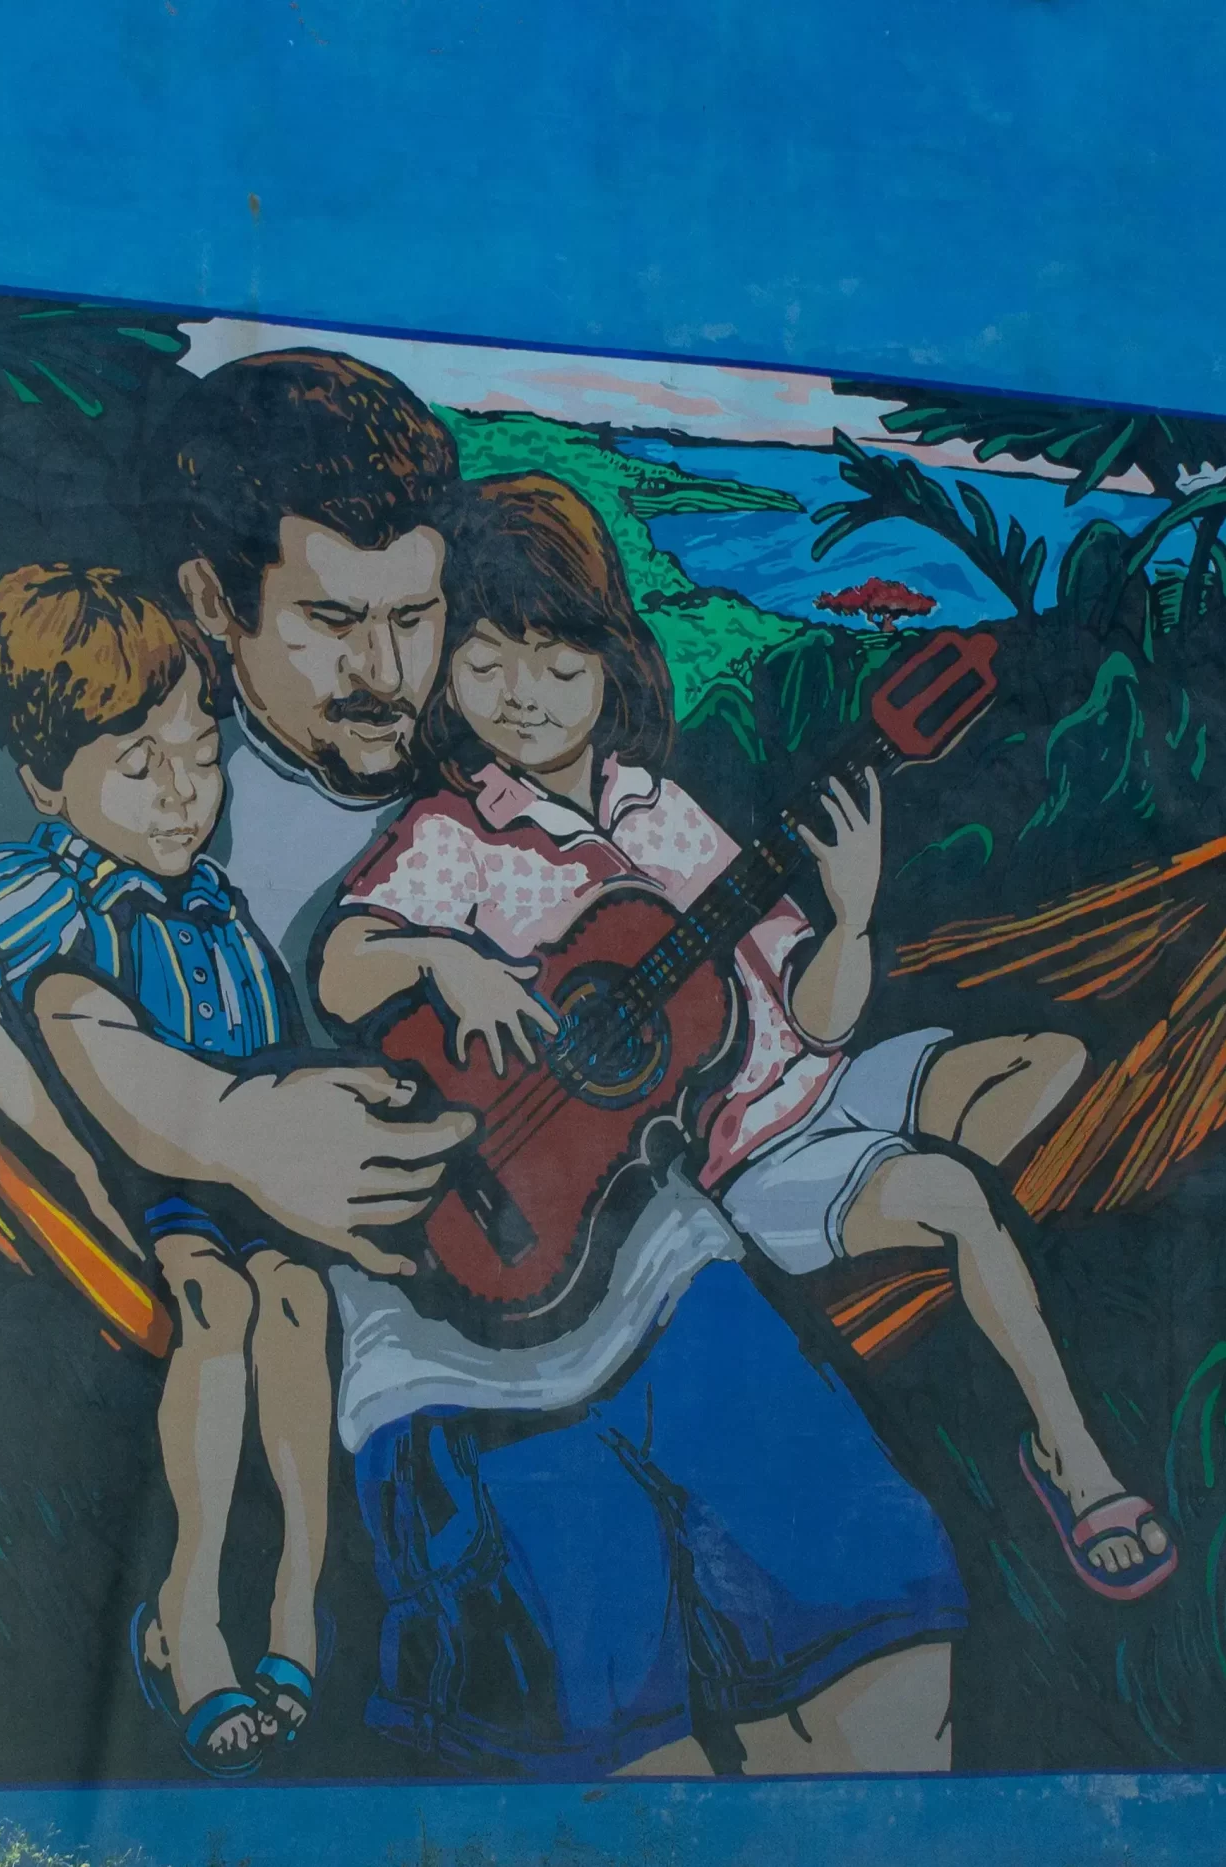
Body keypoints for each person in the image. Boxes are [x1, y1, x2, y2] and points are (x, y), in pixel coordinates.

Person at [125, 352, 969, 1776]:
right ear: (218, 606)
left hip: (672, 1274)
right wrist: (227, 1125)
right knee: (625, 1763)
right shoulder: (152, 795)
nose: (393, 672)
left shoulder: (526, 799)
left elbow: (754, 997)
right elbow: (48, 1006)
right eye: (336, 620)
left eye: (416, 618)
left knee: (887, 1671)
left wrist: (844, 912)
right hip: (452, 1355)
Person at [322, 474, 1177, 1610]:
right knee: (958, 1193)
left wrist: (853, 912)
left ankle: (931, 1267)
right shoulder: (457, 831)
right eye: (485, 666)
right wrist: (446, 958)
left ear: (611, 658)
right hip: (732, 1153)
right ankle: (1073, 1458)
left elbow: (815, 1015)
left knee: (1054, 1066)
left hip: (812, 1081)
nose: (524, 697)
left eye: (559, 662)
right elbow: (342, 966)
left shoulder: (661, 810)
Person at [0, 565, 335, 1776]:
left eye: (199, 755)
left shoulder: (221, 908)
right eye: (139, 767)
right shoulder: (56, 891)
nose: (183, 795)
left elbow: (277, 1051)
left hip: (251, 1178)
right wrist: (70, 1154)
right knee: (219, 1302)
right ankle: (187, 1619)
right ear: (46, 782)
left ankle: (294, 1602)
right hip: (148, 1185)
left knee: (300, 1303)